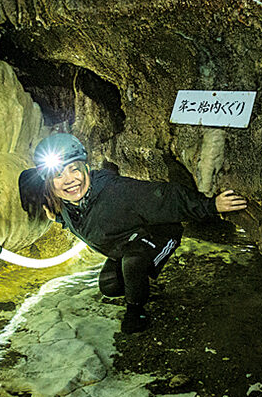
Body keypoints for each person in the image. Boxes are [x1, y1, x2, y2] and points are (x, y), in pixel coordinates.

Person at [19, 133, 247, 333]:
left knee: (133, 263)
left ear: (86, 168)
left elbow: (166, 196)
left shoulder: (116, 191)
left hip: (159, 233)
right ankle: (142, 284)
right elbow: (37, 185)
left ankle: (136, 312)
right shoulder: (65, 204)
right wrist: (56, 217)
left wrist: (210, 206)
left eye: (74, 169)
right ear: (49, 182)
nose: (69, 179)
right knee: (110, 287)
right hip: (124, 243)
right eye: (58, 175)